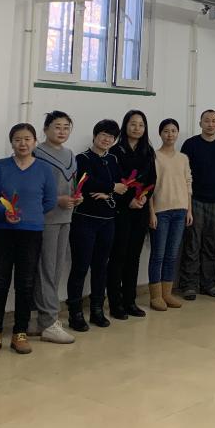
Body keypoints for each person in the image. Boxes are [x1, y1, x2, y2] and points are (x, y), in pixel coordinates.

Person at [0, 123, 57, 357]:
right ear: (11, 142)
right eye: (17, 139)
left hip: (31, 232)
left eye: (27, 139)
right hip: (1, 231)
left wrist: (31, 215)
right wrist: (2, 212)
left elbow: (50, 200)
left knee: (25, 284)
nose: (22, 143)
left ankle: (20, 333)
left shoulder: (44, 169)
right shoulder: (0, 166)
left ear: (35, 142)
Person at [67, 119, 126, 331]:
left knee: (101, 267)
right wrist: (111, 187)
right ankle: (75, 313)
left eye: (111, 137)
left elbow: (122, 187)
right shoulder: (82, 158)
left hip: (108, 222)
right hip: (85, 220)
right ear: (95, 135)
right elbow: (85, 183)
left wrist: (109, 192)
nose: (106, 139)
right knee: (80, 267)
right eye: (103, 135)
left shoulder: (113, 159)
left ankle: (97, 309)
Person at [32, 111, 78, 345]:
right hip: (45, 218)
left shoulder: (70, 155)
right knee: (46, 271)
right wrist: (56, 200)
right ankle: (49, 322)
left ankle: (42, 320)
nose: (62, 131)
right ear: (46, 129)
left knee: (56, 270)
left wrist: (75, 198)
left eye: (66, 127)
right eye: (57, 126)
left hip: (65, 218)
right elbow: (32, 187)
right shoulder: (36, 153)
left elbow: (72, 185)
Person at [179, 110, 215, 300]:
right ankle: (189, 284)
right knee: (192, 244)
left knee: (211, 245)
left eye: (214, 121)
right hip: (195, 201)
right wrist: (186, 201)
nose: (210, 124)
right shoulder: (190, 144)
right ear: (200, 123)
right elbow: (183, 174)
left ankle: (208, 283)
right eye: (207, 121)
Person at [107, 110, 157, 320]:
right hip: (121, 209)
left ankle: (130, 301)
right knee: (118, 256)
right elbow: (113, 178)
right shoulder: (115, 150)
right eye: (133, 124)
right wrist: (129, 200)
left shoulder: (148, 151)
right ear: (125, 126)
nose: (137, 128)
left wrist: (143, 197)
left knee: (134, 257)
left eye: (141, 125)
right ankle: (115, 303)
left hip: (141, 208)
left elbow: (152, 179)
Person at [147, 118, 193, 311]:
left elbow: (188, 184)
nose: (170, 134)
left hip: (180, 211)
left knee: (172, 255)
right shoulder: (154, 156)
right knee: (158, 255)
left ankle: (167, 293)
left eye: (173, 131)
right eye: (166, 131)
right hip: (161, 212)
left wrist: (189, 210)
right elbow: (149, 187)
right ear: (160, 134)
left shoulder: (183, 158)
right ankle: (155, 296)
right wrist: (151, 212)